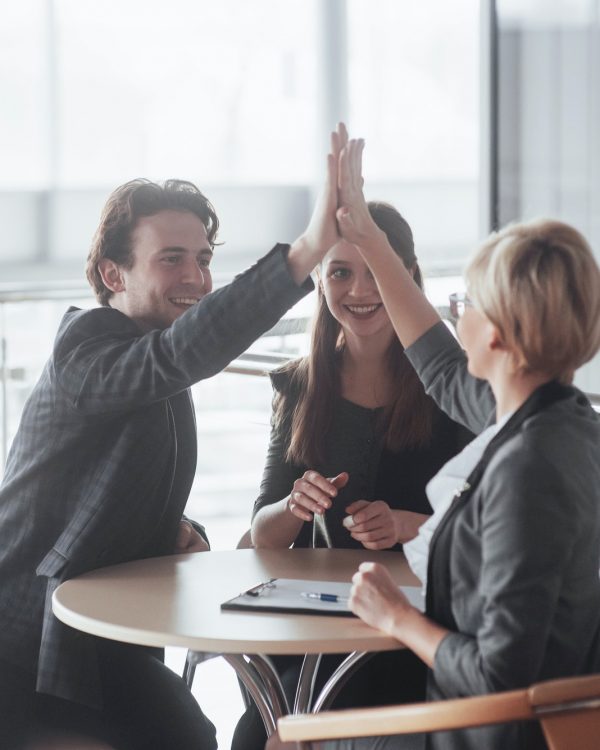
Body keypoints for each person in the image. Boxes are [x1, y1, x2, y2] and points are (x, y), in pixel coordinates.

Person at [0, 124, 351, 750]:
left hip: (99, 644)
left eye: (204, 258)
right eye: (172, 259)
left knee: (195, 734)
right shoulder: (86, 348)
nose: (196, 276)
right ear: (113, 273)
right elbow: (181, 355)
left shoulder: (150, 359)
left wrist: (175, 529)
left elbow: (118, 477)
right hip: (24, 648)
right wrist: (304, 251)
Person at [277, 137, 600, 750]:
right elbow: (440, 366)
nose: (455, 317)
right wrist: (366, 234)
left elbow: (497, 676)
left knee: (287, 736)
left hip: (482, 736)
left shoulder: (530, 467)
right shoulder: (553, 417)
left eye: (466, 304)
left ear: (501, 336)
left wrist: (395, 615)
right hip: (503, 723)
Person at [233, 203, 471, 750]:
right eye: (340, 271)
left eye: (375, 270)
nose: (359, 290)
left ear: (408, 277)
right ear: (319, 280)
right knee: (256, 734)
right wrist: (293, 505)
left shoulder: (453, 388)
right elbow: (261, 536)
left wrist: (409, 525)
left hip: (417, 626)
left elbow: (484, 522)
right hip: (322, 626)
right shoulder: (299, 386)